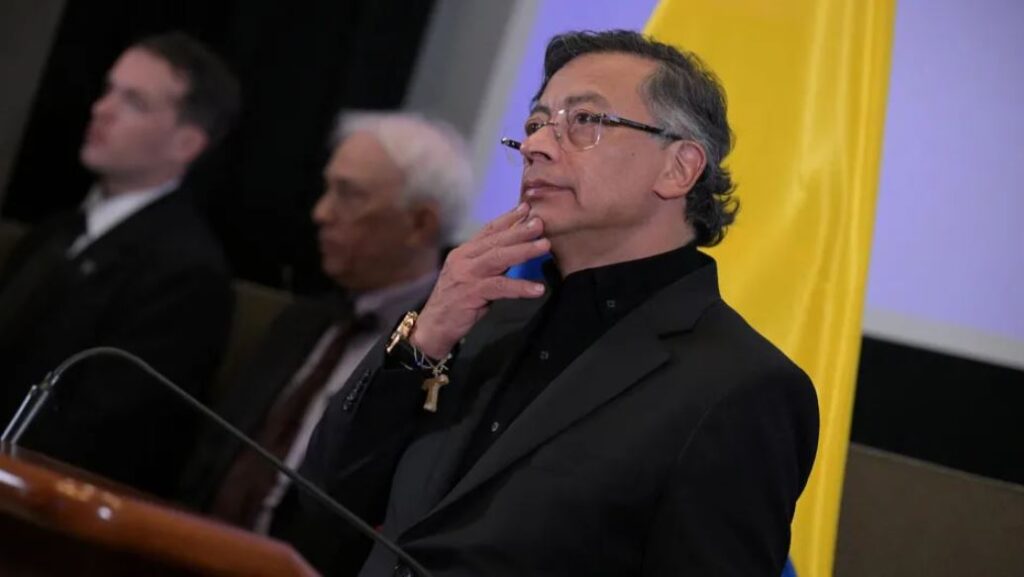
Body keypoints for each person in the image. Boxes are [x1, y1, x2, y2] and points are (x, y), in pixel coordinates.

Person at [302, 30, 820, 577]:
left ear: (679, 169)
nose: (536, 147)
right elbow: (327, 498)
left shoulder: (740, 387)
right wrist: (423, 340)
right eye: (535, 124)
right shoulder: (483, 320)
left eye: (584, 121)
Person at [177, 111, 474, 575]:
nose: (320, 213)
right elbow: (211, 458)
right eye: (327, 188)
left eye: (349, 195)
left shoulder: (451, 355)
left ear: (420, 224)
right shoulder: (303, 320)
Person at [0, 32, 239, 498]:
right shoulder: (55, 231)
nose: (101, 109)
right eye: (108, 90)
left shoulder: (188, 274)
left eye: (133, 102)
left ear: (186, 142)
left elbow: (101, 437)